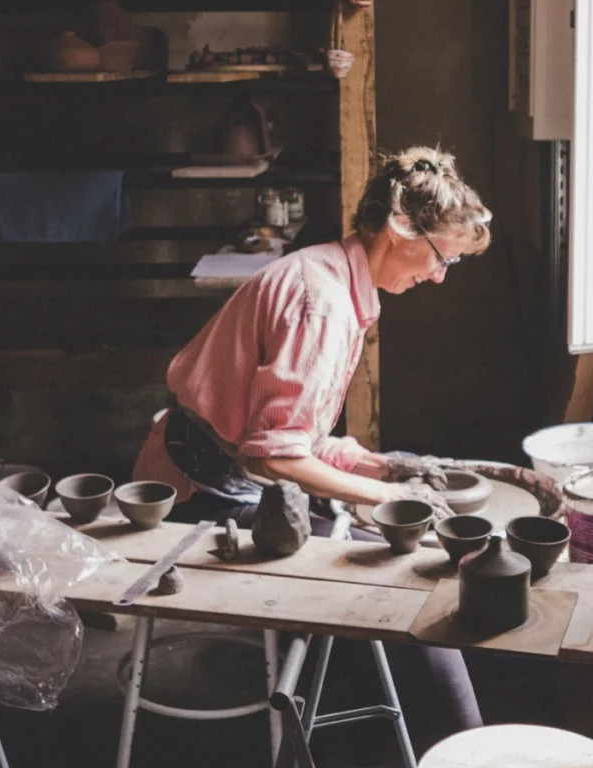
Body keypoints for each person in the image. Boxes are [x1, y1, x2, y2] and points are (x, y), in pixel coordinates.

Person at [132, 145, 492, 749]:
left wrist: (377, 464)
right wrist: (386, 494)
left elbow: (299, 434)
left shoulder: (335, 277)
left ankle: (375, 719)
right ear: (401, 225)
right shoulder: (320, 302)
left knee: (391, 525)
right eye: (439, 258)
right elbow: (269, 455)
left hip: (234, 466)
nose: (437, 276)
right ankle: (460, 745)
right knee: (403, 575)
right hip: (199, 493)